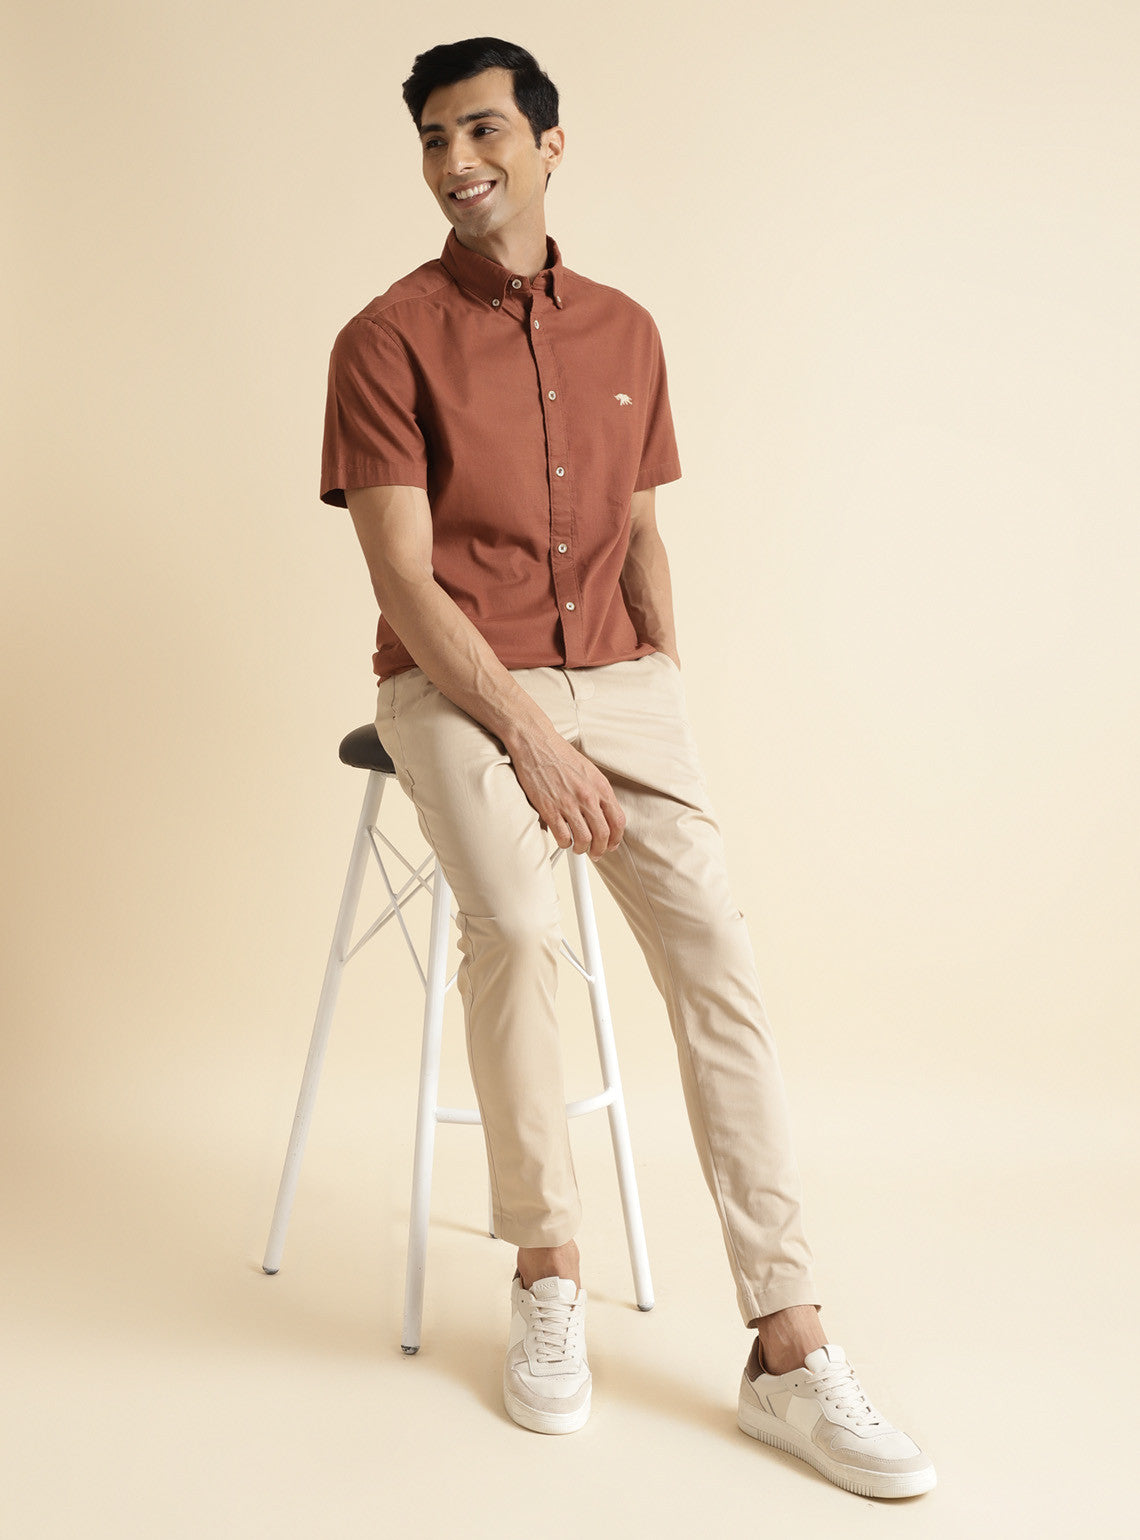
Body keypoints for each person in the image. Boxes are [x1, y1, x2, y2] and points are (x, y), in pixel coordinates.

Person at [319, 36, 935, 1499]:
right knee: (517, 923)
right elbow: (403, 578)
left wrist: (655, 687)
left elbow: (645, 534)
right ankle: (546, 1270)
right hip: (455, 684)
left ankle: (788, 1346)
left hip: (623, 680)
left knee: (717, 946)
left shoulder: (628, 331)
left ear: (547, 143)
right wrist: (533, 736)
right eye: (433, 139)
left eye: (482, 130)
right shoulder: (384, 338)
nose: (456, 161)